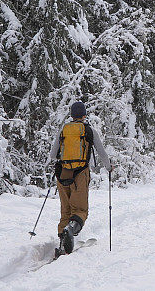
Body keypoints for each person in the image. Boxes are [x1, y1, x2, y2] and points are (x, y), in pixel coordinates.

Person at [48, 101, 112, 254]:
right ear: (84, 115)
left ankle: (63, 244)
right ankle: (70, 229)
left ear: (71, 115)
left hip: (62, 174)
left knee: (66, 210)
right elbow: (101, 152)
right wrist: (109, 167)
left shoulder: (64, 129)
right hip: (80, 174)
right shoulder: (89, 130)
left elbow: (52, 155)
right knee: (80, 209)